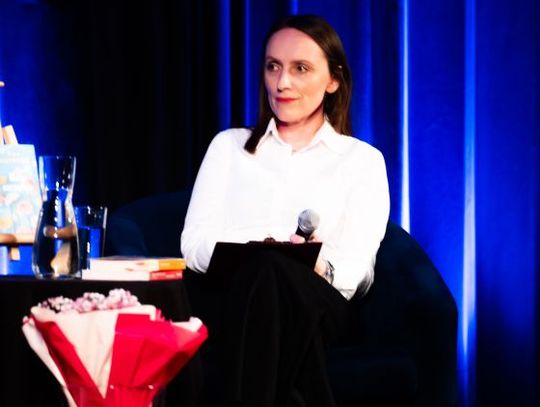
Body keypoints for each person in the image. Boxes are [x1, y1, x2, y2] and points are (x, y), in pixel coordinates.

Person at [181, 14, 390, 407]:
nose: (282, 83)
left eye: (301, 69)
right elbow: (193, 245)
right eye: (273, 66)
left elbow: (359, 269)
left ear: (333, 80)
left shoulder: (362, 161)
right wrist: (262, 248)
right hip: (231, 295)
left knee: (277, 276)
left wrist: (316, 266)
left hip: (318, 300)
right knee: (267, 272)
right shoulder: (229, 146)